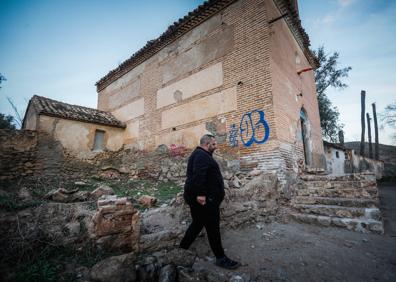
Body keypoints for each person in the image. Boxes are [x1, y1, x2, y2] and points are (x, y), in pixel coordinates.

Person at [179, 134, 240, 270]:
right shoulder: (201, 156)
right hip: (205, 201)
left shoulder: (201, 154)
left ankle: (182, 248)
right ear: (206, 144)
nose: (216, 146)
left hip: (203, 199)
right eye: (213, 144)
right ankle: (221, 258)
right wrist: (201, 195)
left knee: (197, 224)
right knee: (213, 228)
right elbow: (199, 176)